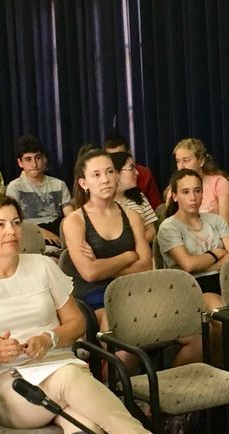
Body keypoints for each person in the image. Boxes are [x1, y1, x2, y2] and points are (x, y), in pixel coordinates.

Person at [0, 192, 150, 434]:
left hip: (61, 367)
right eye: (0, 224)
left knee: (85, 427)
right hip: (11, 384)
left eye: (16, 222)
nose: (12, 231)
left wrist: (50, 338)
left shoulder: (43, 266)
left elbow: (76, 322)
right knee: (70, 381)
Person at [61, 149, 152, 329]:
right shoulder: (75, 221)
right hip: (95, 297)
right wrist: (128, 256)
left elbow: (146, 265)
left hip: (132, 289)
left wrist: (104, 268)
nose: (105, 179)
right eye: (96, 174)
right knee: (122, 322)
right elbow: (90, 273)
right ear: (83, 183)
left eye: (110, 171)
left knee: (188, 331)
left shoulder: (131, 214)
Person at [156, 168, 229, 360]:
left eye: (197, 191)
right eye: (186, 192)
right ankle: (219, 365)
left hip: (225, 280)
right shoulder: (169, 226)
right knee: (222, 314)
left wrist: (209, 265)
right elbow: (188, 265)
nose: (193, 197)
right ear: (175, 196)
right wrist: (215, 253)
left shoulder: (216, 220)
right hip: (191, 287)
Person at [4, 135, 73, 246]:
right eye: (28, 159)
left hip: (58, 229)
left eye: (38, 158)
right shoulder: (15, 187)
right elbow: (12, 219)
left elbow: (70, 216)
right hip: (29, 233)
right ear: (20, 163)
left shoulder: (59, 185)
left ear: (43, 159)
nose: (34, 164)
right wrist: (39, 232)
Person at [168, 138, 229, 229]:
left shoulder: (220, 183)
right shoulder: (175, 187)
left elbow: (226, 226)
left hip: (218, 238)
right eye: (178, 161)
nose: (181, 166)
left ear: (201, 161)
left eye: (186, 160)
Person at [110, 150, 158, 244]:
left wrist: (135, 246)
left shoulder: (138, 196)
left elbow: (151, 231)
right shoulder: (104, 202)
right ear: (116, 173)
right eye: (131, 168)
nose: (137, 172)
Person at [105, 133, 162, 209]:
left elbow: (156, 206)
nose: (115, 162)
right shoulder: (103, 187)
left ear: (129, 153)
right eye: (112, 157)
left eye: (120, 156)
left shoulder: (144, 174)